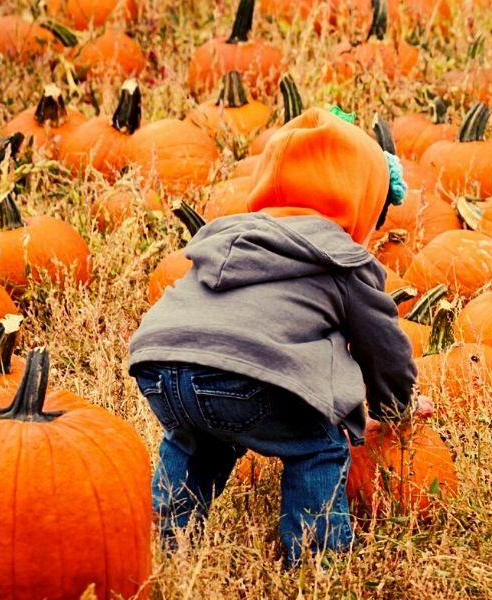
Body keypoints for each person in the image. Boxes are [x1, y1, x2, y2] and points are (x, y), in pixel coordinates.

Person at [127, 107, 421, 565]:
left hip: (160, 364)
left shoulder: (227, 236)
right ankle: (316, 559)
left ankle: (166, 541)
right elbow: (383, 348)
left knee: (197, 437)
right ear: (362, 198)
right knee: (319, 444)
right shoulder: (343, 260)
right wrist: (395, 408)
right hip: (244, 377)